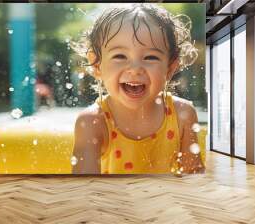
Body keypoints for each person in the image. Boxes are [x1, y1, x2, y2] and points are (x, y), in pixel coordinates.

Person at [72, 3, 205, 174]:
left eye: (150, 57)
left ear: (170, 67)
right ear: (97, 65)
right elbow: (85, 188)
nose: (135, 68)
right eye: (120, 56)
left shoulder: (182, 115)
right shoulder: (92, 122)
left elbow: (193, 181)